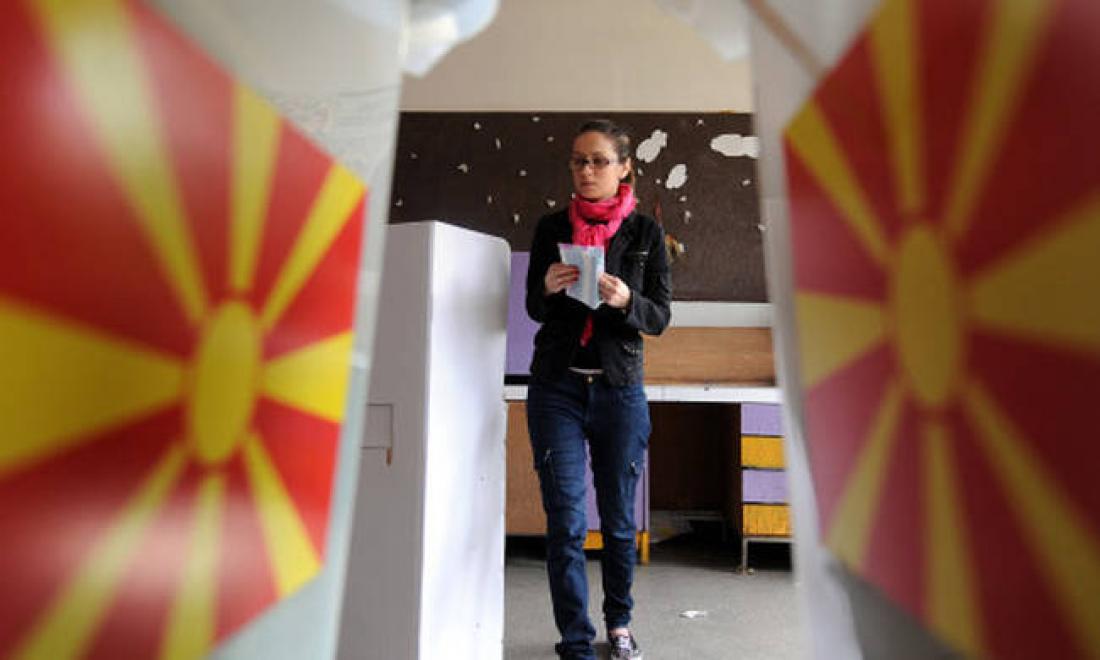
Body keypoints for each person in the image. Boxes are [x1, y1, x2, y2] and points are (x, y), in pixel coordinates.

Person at [525, 119, 671, 660]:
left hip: (619, 389)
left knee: (617, 521)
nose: (586, 171)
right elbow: (533, 308)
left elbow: (659, 317)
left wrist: (627, 300)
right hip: (556, 388)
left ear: (624, 167)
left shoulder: (646, 233)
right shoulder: (550, 228)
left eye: (599, 161)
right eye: (578, 161)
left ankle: (619, 624)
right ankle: (575, 641)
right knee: (566, 519)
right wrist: (546, 287)